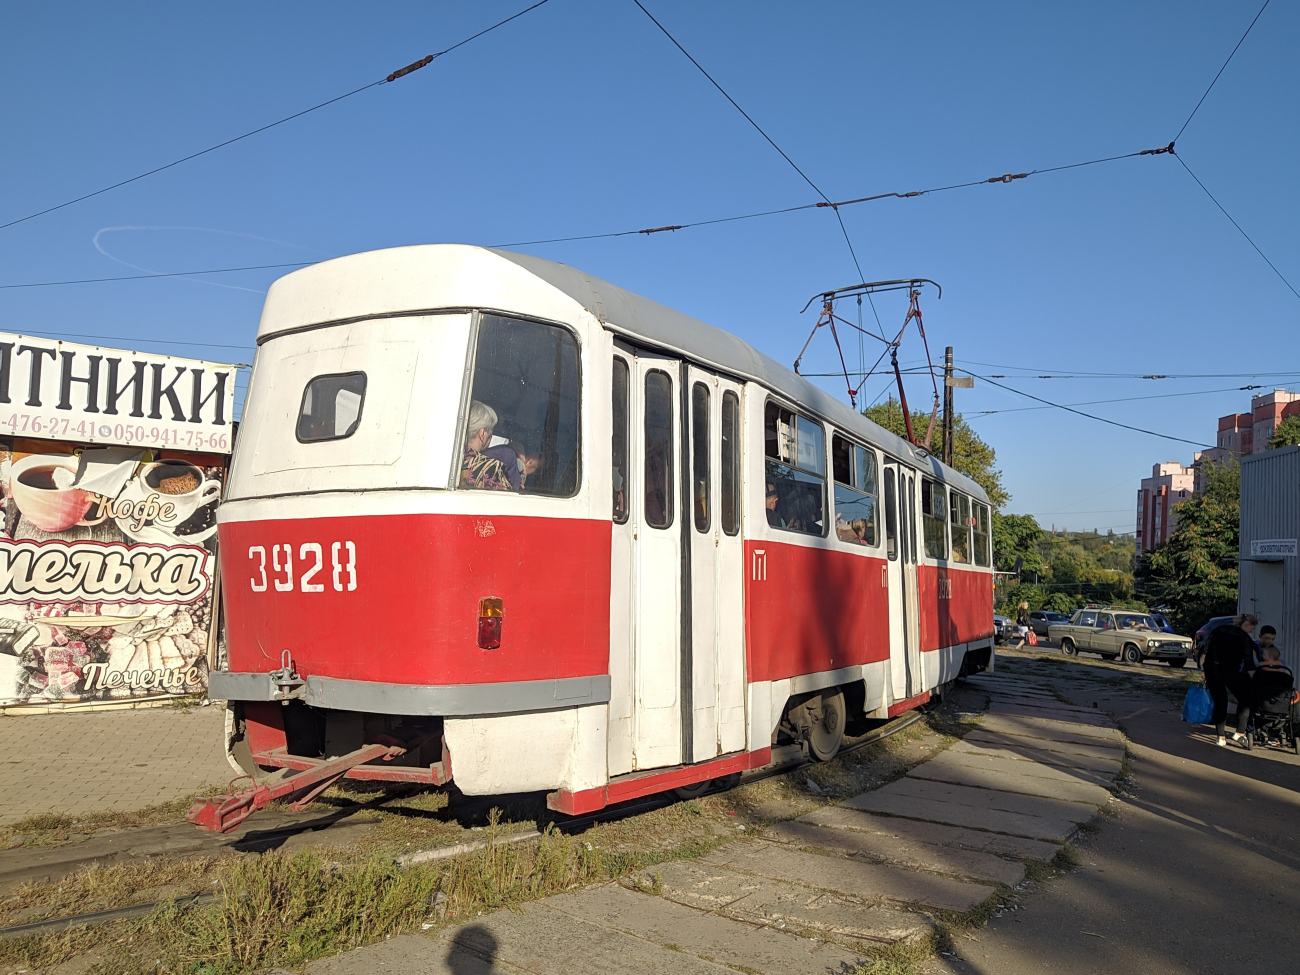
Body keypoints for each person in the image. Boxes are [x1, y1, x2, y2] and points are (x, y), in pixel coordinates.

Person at [1203, 612, 1258, 747]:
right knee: (1245, 699)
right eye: (1252, 628)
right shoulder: (1244, 637)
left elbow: (1205, 650)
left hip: (1211, 669)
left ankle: (1220, 737)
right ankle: (1239, 733)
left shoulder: (1218, 630)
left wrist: (1203, 670)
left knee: (1220, 701)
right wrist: (1256, 680)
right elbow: (1249, 663)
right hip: (1229, 671)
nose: (1251, 632)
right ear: (1247, 624)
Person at [460, 401, 513, 491]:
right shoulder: (491, 468)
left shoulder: (447, 458)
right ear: (483, 433)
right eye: (491, 432)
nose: (491, 437)